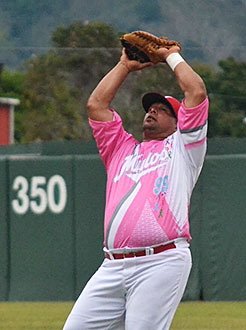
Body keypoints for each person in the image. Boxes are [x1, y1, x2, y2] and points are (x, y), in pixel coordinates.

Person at [63, 41, 208, 329]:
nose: (151, 112)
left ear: (181, 122)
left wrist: (171, 56)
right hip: (113, 265)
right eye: (150, 108)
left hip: (161, 260)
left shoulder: (184, 147)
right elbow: (96, 105)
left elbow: (196, 91)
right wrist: (124, 66)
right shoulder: (121, 149)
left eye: (162, 110)